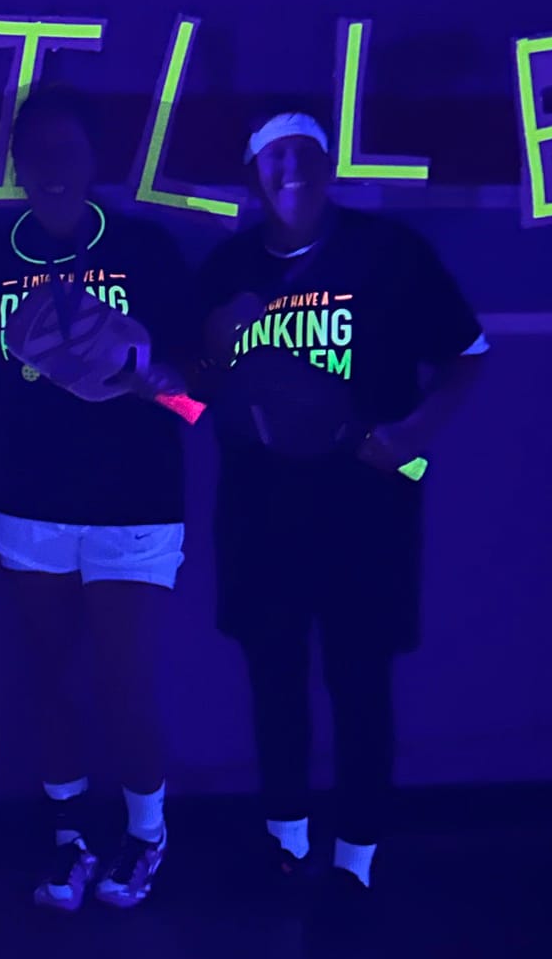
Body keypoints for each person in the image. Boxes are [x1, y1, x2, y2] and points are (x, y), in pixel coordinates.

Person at [198, 109, 488, 897]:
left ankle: (357, 859)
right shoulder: (226, 268)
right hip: (260, 515)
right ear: (253, 172)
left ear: (328, 165)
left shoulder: (388, 252)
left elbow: (469, 355)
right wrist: (198, 360)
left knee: (361, 682)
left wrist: (412, 433)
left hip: (367, 516)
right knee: (275, 680)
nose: (291, 167)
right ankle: (287, 844)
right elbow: (194, 394)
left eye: (306, 152)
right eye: (275, 155)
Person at [0, 86, 194, 908]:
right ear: (16, 164)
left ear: (96, 160)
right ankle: (69, 838)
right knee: (47, 675)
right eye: (37, 152)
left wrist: (159, 385)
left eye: (69, 150)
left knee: (124, 679)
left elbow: (195, 399)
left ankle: (146, 832)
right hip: (27, 501)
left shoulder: (146, 249)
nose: (53, 167)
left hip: (136, 502)